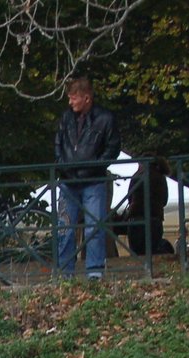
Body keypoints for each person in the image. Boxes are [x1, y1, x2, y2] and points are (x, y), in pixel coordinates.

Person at [53, 76, 122, 279]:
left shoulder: (105, 119)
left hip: (93, 180)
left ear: (86, 98)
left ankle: (94, 271)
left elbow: (113, 147)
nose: (70, 102)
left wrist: (95, 165)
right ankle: (65, 272)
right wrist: (61, 164)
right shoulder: (66, 118)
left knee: (94, 228)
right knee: (65, 228)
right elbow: (58, 142)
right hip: (68, 180)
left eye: (73, 98)